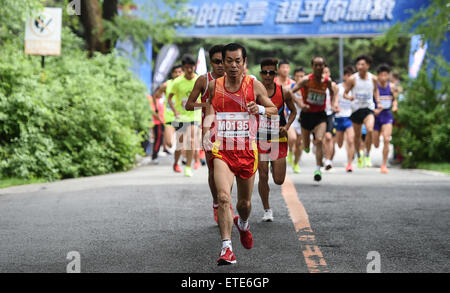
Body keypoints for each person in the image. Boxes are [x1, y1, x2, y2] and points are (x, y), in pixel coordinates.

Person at [203, 43, 277, 265]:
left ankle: (243, 224)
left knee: (243, 205)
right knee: (223, 197)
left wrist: (260, 109)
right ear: (222, 62)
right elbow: (209, 109)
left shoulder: (253, 86)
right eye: (229, 61)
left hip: (246, 152)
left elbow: (274, 110)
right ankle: (227, 248)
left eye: (238, 61)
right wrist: (207, 132)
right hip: (222, 151)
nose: (233, 66)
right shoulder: (214, 86)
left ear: (244, 63)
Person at [185, 45, 230, 223]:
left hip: (230, 130)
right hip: (209, 130)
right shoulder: (203, 80)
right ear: (210, 62)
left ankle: (226, 200)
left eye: (223, 61)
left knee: (229, 169)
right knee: (213, 170)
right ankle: (217, 203)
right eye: (216, 62)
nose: (220, 65)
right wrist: (208, 105)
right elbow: (189, 105)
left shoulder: (233, 80)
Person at [257, 58, 297, 222]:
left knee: (279, 180)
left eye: (271, 72)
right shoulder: (254, 91)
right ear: (261, 73)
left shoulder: (284, 91)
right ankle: (267, 209)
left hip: (278, 138)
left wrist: (286, 127)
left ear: (276, 73)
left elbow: (293, 112)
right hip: (260, 138)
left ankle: (275, 164)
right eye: (265, 72)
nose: (268, 75)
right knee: (263, 175)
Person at [291, 56, 337, 182]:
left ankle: (317, 169)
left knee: (320, 140)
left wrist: (333, 105)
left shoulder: (326, 81)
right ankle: (307, 147)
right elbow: (290, 92)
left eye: (321, 65)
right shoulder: (306, 80)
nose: (318, 67)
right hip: (306, 115)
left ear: (324, 66)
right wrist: (301, 105)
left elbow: (333, 92)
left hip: (320, 115)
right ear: (312, 67)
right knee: (305, 146)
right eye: (316, 65)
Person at [343, 54, 382, 168]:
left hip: (368, 108)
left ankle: (368, 154)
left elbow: (376, 91)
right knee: (357, 135)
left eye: (362, 64)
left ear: (368, 66)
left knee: (369, 130)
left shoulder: (373, 78)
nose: (360, 66)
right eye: (358, 64)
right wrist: (349, 97)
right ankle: (358, 155)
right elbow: (345, 93)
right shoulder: (352, 79)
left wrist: (378, 102)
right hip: (356, 109)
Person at [167, 54, 200, 177]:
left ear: (194, 66)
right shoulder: (177, 82)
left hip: (194, 115)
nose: (190, 70)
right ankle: (176, 162)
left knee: (191, 141)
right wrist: (175, 111)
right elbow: (169, 98)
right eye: (187, 67)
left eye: (191, 67)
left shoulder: (198, 80)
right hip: (181, 116)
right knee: (180, 144)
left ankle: (188, 167)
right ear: (184, 68)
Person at [373, 64, 398, 174]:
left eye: (385, 75)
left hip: (387, 115)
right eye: (381, 75)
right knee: (376, 143)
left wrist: (395, 106)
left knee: (387, 140)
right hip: (376, 116)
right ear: (378, 76)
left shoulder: (392, 87)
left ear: (388, 76)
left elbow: (395, 100)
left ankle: (384, 164)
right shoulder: (374, 87)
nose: (383, 77)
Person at [154, 65, 184, 155]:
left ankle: (181, 158)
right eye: (176, 72)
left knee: (183, 143)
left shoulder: (187, 84)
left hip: (182, 116)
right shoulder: (166, 85)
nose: (178, 74)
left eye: (180, 72)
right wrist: (157, 110)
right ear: (172, 74)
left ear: (183, 73)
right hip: (170, 117)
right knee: (169, 144)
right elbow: (156, 96)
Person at [334, 66, 356, 172]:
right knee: (339, 143)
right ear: (344, 76)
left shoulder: (355, 88)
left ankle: (349, 164)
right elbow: (335, 99)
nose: (350, 78)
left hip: (350, 117)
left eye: (352, 76)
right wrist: (336, 106)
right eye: (348, 76)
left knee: (351, 139)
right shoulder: (338, 87)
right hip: (339, 117)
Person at [289, 67, 306, 173]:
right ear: (294, 77)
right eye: (297, 76)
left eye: (302, 76)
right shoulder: (289, 88)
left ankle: (296, 163)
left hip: (303, 119)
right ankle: (290, 151)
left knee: (300, 144)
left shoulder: (308, 88)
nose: (300, 78)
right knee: (292, 138)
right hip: (292, 117)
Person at [322, 66, 338, 171]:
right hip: (317, 114)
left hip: (329, 114)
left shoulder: (333, 86)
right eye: (323, 72)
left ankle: (328, 160)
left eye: (327, 72)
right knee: (319, 139)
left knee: (328, 137)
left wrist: (334, 105)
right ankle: (322, 156)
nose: (324, 74)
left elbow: (335, 97)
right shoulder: (314, 84)